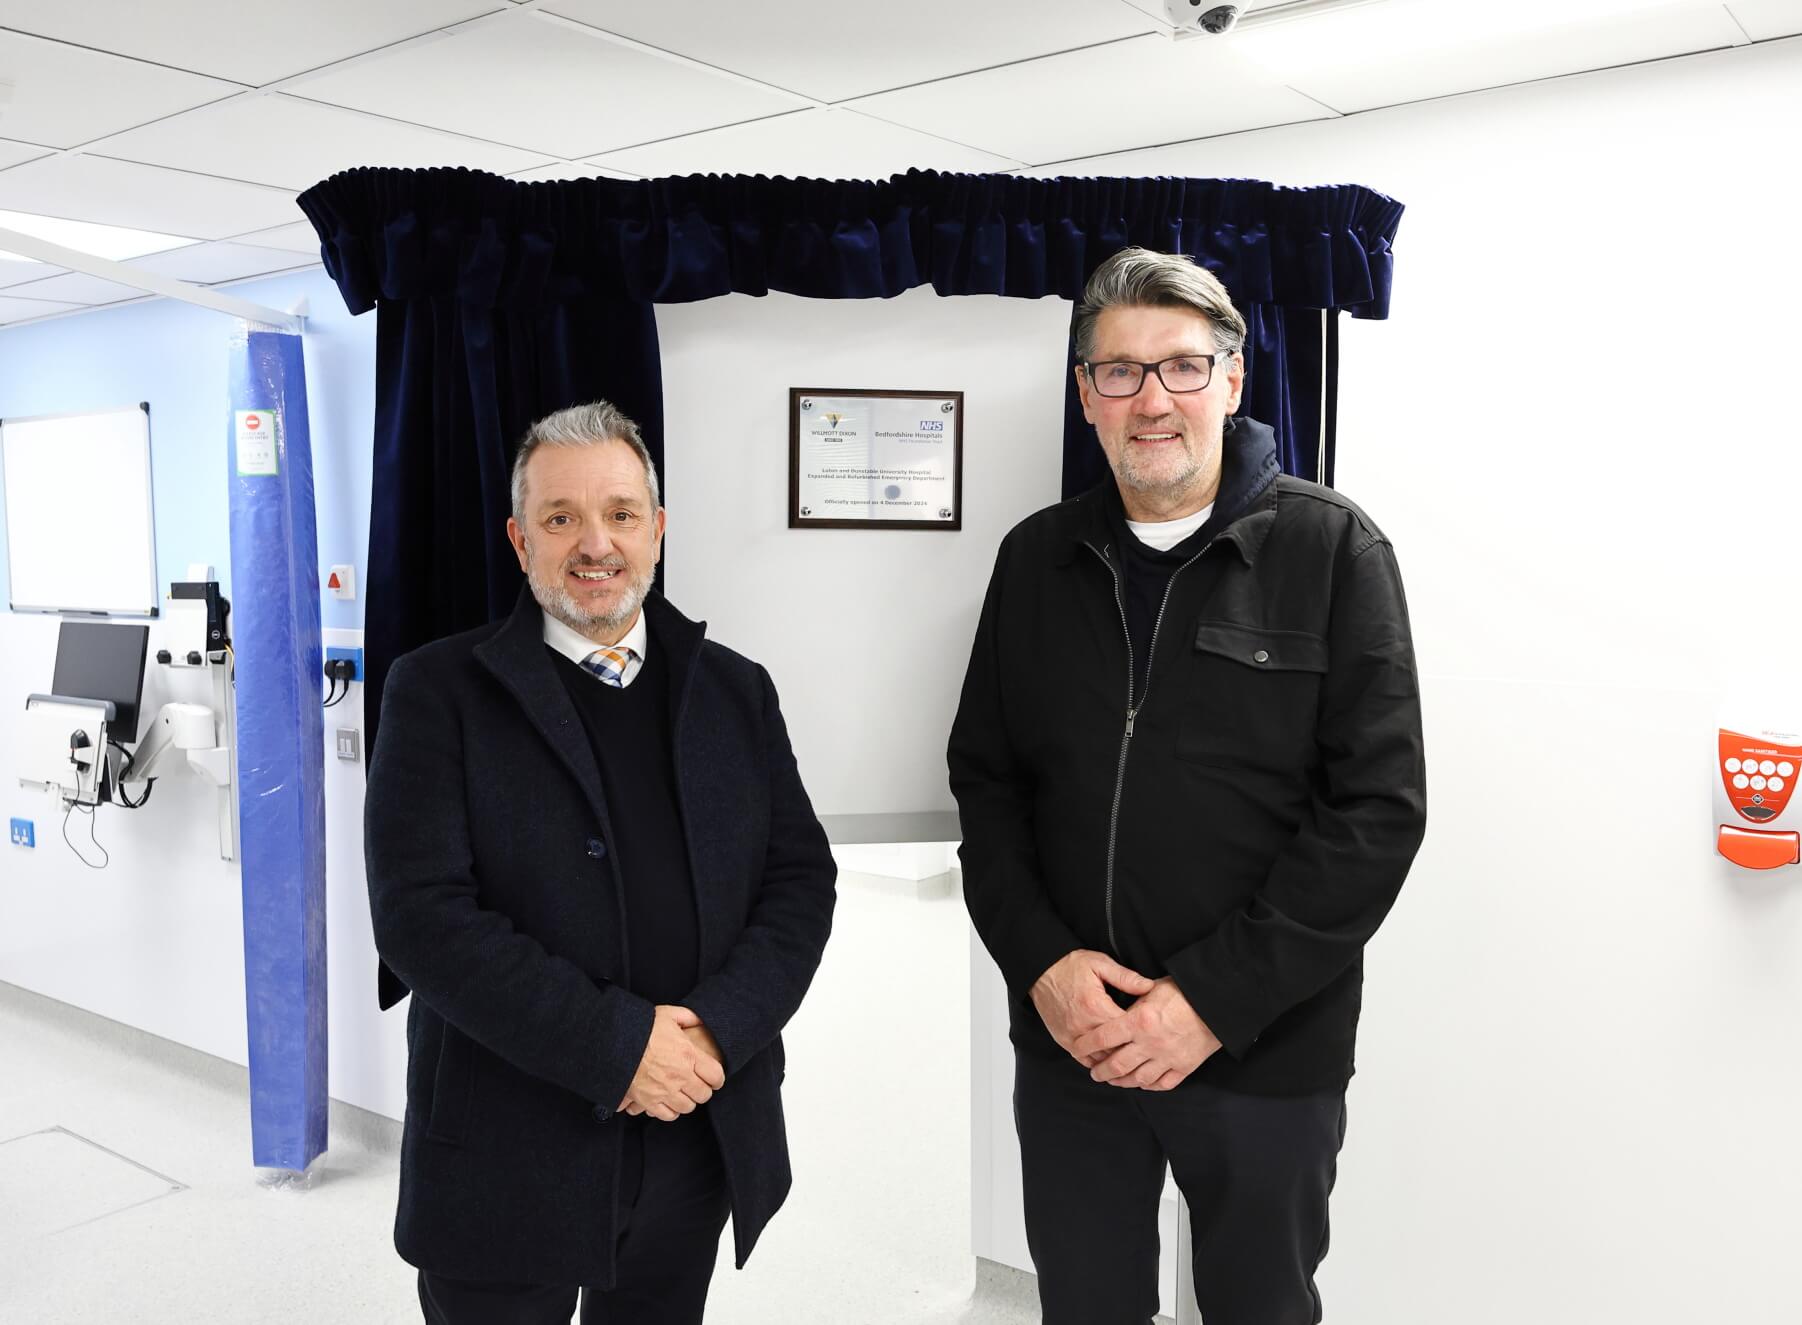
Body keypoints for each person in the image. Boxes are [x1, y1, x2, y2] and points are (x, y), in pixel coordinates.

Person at [948, 247, 1426, 1325]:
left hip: (1262, 1049)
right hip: (1075, 1042)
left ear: (1233, 379)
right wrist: (1043, 965)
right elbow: (986, 782)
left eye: (1179, 366)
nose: (1149, 399)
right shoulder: (1035, 559)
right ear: (1084, 393)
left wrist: (1208, 1000)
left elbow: (1374, 815)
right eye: (1117, 372)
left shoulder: (1331, 550)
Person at [364, 401, 836, 1324]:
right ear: (518, 537)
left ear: (656, 530)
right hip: (506, 1151)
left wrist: (710, 1034)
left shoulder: (736, 690)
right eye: (560, 517)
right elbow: (422, 918)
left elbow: (798, 880)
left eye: (621, 513)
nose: (595, 543)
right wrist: (620, 1049)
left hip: (693, 1129)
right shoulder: (436, 691)